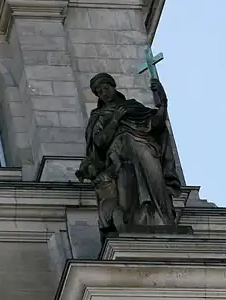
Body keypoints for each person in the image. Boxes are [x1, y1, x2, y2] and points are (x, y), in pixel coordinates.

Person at [77, 72, 180, 233]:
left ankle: (163, 219)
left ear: (113, 87)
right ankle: (133, 222)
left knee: (155, 181)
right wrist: (115, 120)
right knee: (127, 191)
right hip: (119, 156)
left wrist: (163, 103)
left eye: (106, 88)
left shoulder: (132, 106)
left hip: (144, 146)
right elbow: (99, 142)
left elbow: (155, 124)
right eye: (99, 92)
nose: (104, 93)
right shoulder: (98, 116)